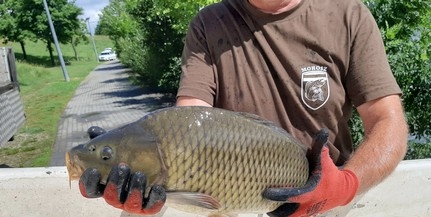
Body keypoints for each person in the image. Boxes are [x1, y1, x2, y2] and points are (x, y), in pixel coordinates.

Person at [78, 0, 408, 216]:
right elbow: (190, 118)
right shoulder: (209, 23)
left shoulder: (348, 14)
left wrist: (344, 186)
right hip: (228, 195)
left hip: (322, 194)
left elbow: (388, 120)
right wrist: (143, 172)